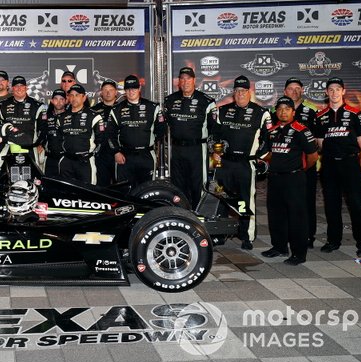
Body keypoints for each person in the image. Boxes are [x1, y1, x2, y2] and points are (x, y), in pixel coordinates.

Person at [211, 75, 271, 250]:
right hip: (224, 165)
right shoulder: (222, 111)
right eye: (237, 91)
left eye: (243, 91)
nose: (240, 94)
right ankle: (219, 234)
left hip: (246, 165)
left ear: (249, 92)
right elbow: (215, 136)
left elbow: (268, 140)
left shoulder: (261, 113)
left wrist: (259, 157)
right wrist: (216, 152)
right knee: (221, 198)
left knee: (245, 202)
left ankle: (247, 236)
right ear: (233, 93)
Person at [313, 77, 361, 257]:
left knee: (356, 203)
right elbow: (320, 143)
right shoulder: (320, 116)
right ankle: (333, 241)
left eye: (338, 89)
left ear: (343, 91)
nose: (334, 92)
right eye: (331, 89)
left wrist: (346, 153)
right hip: (329, 164)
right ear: (326, 93)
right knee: (331, 204)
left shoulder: (355, 113)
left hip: (349, 163)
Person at [263, 96, 318, 266]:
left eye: (287, 109)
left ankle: (299, 253)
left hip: (294, 178)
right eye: (280, 109)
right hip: (274, 178)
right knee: (276, 214)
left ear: (293, 112)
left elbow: (312, 157)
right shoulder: (272, 130)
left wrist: (299, 170)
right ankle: (279, 247)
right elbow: (270, 153)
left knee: (297, 217)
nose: (283, 112)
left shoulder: (302, 130)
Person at [163, 67, 216, 209]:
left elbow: (214, 129)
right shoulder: (169, 100)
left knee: (198, 185)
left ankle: (199, 217)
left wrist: (216, 152)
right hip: (177, 150)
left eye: (188, 79)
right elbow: (164, 125)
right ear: (179, 82)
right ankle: (181, 215)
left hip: (197, 149)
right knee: (178, 186)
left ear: (194, 81)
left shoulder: (206, 101)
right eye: (182, 79)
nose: (185, 82)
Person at [276, 77, 319, 248]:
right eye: (291, 88)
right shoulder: (276, 111)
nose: (294, 91)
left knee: (307, 202)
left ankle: (308, 236)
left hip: (304, 167)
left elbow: (315, 141)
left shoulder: (312, 111)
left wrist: (304, 166)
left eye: (298, 88)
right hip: (283, 167)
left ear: (302, 91)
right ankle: (285, 237)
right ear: (285, 91)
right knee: (284, 204)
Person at [108, 75, 165, 186]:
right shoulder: (116, 109)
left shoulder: (153, 107)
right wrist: (116, 152)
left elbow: (161, 130)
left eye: (134, 88)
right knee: (124, 191)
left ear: (139, 89)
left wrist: (155, 149)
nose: (131, 91)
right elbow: (110, 134)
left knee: (147, 190)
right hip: (124, 156)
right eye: (128, 89)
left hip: (146, 156)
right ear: (125, 91)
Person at [56, 84, 105, 184]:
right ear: (68, 97)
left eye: (77, 95)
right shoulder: (61, 117)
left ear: (84, 97)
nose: (74, 98)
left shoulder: (94, 116)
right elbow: (58, 139)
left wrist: (89, 155)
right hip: (67, 161)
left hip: (85, 162)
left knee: (87, 194)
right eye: (71, 95)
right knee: (65, 194)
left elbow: (101, 140)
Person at [0, 75, 46, 168]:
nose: (19, 88)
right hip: (8, 149)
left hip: (30, 149)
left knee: (31, 179)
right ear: (12, 88)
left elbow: (43, 128)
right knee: (8, 178)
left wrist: (41, 144)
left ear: (26, 87)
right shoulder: (2, 105)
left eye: (21, 86)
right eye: (16, 86)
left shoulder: (37, 105)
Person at [91, 79, 120, 186]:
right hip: (100, 155)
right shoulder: (93, 110)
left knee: (120, 187)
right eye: (105, 90)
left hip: (119, 153)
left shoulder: (122, 108)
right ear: (101, 92)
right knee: (101, 186)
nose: (108, 93)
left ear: (116, 92)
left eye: (111, 90)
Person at [43, 89, 68, 177]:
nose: (59, 102)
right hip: (50, 158)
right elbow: (41, 134)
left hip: (66, 158)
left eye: (61, 99)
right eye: (56, 99)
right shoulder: (46, 117)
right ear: (52, 101)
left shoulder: (70, 116)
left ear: (66, 101)